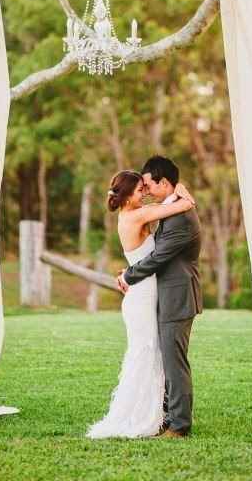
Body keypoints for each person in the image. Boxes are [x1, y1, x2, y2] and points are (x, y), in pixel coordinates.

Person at [87, 158, 202, 439]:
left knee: (169, 361)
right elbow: (154, 253)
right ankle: (160, 417)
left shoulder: (173, 217)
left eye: (148, 185)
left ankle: (177, 424)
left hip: (174, 296)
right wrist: (184, 197)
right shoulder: (149, 213)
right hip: (149, 295)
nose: (146, 191)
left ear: (163, 183)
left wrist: (128, 275)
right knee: (152, 356)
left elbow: (159, 256)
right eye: (141, 189)